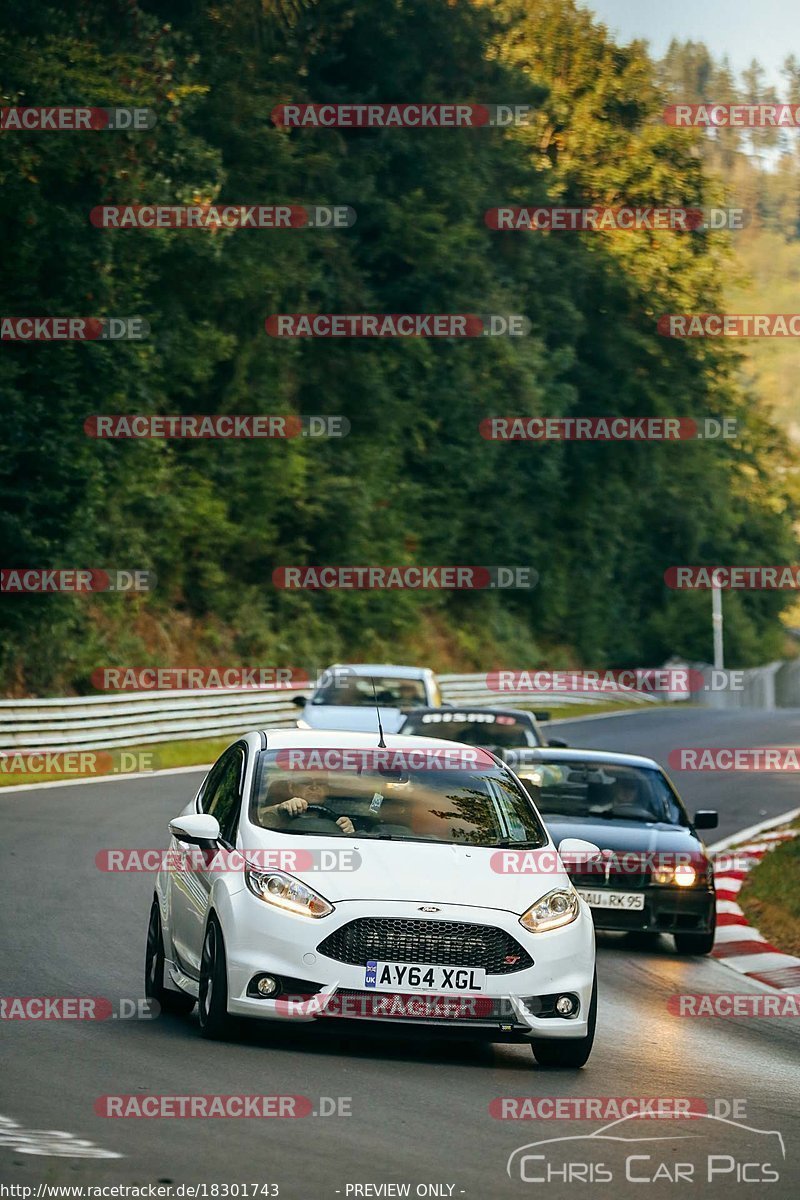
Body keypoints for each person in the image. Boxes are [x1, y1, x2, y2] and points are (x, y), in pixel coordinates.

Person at [262, 775, 355, 834]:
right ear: (291, 787)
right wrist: (278, 809)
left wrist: (349, 832)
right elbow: (254, 819)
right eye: (306, 782)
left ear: (327, 789)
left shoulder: (338, 818)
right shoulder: (281, 812)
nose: (314, 787)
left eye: (320, 783)